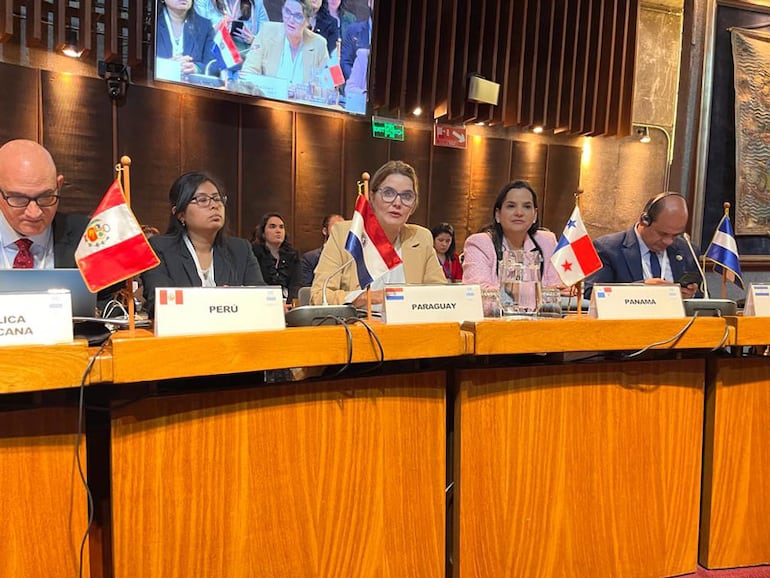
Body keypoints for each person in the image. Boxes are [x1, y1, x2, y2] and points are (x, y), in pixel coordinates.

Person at [311, 160, 446, 307]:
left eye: (407, 196)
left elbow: (440, 295)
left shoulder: (420, 238)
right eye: (388, 193)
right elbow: (319, 296)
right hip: (358, 326)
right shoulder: (345, 234)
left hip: (408, 327)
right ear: (372, 197)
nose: (397, 203)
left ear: (414, 205)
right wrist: (367, 297)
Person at [141, 171, 264, 315]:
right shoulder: (159, 248)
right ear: (180, 214)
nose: (214, 205)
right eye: (202, 200)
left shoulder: (240, 249)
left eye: (217, 199)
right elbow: (160, 304)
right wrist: (216, 299)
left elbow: (260, 298)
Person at [585, 192, 700, 298]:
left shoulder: (688, 251)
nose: (668, 241)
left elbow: (705, 299)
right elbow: (592, 293)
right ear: (644, 220)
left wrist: (691, 295)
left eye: (675, 235)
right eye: (662, 233)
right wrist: (640, 289)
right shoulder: (607, 248)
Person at [0, 139, 88, 270]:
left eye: (45, 196)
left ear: (58, 185)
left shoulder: (87, 237)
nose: (34, 213)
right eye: (19, 198)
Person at [462, 180, 561, 290]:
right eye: (511, 206)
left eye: (527, 206)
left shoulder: (547, 242)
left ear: (535, 215)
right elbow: (477, 293)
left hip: (542, 308)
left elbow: (557, 288)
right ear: (498, 214)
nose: (519, 213)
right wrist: (533, 293)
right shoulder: (480, 244)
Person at [240, 0, 329, 85]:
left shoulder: (319, 45)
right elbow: (248, 71)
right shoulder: (267, 32)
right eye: (287, 12)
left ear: (308, 20)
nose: (291, 20)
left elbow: (326, 85)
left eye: (298, 16)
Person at [156, 0, 217, 78]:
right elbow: (143, 63)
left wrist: (197, 68)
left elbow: (214, 63)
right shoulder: (152, 24)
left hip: (192, 87)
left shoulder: (205, 26)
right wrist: (168, 66)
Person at [251, 212, 302, 302]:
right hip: (263, 302)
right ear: (263, 233)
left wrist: (290, 304)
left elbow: (296, 285)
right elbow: (256, 284)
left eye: (281, 227)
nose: (278, 231)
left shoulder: (293, 254)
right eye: (272, 226)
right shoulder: (254, 253)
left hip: (289, 304)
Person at [193, 0, 269, 53]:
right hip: (214, 54)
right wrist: (219, 27)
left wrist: (253, 40)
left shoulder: (256, 2)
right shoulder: (203, 2)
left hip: (246, 57)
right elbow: (198, 37)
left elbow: (267, 38)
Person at [301, 212, 343, 286]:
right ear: (324, 231)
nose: (340, 232)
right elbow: (306, 289)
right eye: (335, 228)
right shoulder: (309, 258)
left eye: (342, 228)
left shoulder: (352, 258)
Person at [340, 0, 372, 80]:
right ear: (369, 2)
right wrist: (356, 80)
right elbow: (345, 62)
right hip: (356, 87)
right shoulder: (353, 30)